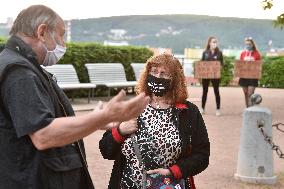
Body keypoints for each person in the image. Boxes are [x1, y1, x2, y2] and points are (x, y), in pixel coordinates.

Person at [0, 5, 149, 189]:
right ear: (42, 31)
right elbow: (43, 135)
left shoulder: (21, 66)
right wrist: (103, 116)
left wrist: (95, 120)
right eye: (61, 35)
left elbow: (41, 120)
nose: (64, 43)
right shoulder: (20, 72)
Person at [99, 54, 210, 189]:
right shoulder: (133, 106)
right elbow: (106, 150)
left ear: (175, 80)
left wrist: (173, 171)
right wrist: (121, 130)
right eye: (154, 72)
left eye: (164, 74)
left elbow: (202, 156)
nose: (158, 77)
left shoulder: (188, 112)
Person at [200, 36, 223, 116]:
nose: (214, 43)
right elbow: (201, 64)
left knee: (216, 91)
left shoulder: (219, 53)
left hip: (215, 76)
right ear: (209, 43)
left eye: (215, 42)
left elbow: (221, 64)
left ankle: (218, 109)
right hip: (206, 76)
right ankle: (202, 108)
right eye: (213, 42)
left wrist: (218, 67)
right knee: (204, 91)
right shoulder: (205, 53)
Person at [239, 37, 261, 107]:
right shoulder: (242, 54)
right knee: (245, 93)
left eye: (249, 44)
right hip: (244, 76)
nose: (248, 45)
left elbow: (259, 65)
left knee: (250, 94)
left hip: (253, 77)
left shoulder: (257, 54)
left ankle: (251, 108)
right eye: (246, 44)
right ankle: (247, 108)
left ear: (252, 44)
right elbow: (240, 65)